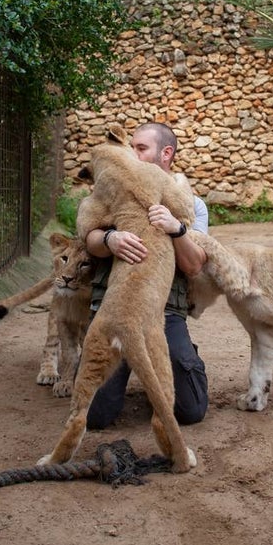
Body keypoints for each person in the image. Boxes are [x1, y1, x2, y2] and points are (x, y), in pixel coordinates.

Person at [83, 122, 210, 429]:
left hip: (162, 311)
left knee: (190, 411)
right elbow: (89, 241)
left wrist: (176, 229)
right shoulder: (111, 187)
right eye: (132, 148)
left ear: (166, 154)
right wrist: (109, 240)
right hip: (115, 305)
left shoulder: (191, 204)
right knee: (95, 416)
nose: (132, 154)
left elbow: (194, 266)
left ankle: (181, 356)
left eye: (141, 148)